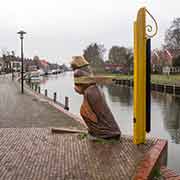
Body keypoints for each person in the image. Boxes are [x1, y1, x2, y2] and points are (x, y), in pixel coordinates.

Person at [71, 56, 121, 140]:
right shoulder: (89, 73)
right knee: (100, 112)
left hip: (90, 93)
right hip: (95, 90)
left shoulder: (78, 73)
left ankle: (103, 132)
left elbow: (79, 87)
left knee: (85, 112)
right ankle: (108, 130)